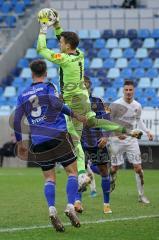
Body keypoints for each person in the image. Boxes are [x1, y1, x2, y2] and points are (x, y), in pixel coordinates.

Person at [36, 8, 139, 192]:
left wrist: (44, 28)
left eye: (60, 42)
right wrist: (58, 25)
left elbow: (41, 49)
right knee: (95, 121)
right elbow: (65, 38)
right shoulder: (79, 54)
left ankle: (82, 174)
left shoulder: (64, 59)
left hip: (73, 102)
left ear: (67, 46)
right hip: (84, 97)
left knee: (76, 141)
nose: (59, 44)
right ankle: (129, 131)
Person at [13, 59, 88, 232]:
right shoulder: (49, 87)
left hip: (38, 141)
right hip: (58, 135)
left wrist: (19, 142)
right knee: (72, 172)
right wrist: (75, 115)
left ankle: (52, 209)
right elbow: (57, 104)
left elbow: (17, 121)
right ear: (45, 73)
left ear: (31, 74)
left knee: (49, 178)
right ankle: (70, 207)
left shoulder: (23, 94)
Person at [109, 80, 153, 204]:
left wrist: (147, 131)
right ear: (123, 90)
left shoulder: (137, 105)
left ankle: (141, 195)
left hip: (131, 140)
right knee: (114, 168)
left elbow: (139, 121)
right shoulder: (116, 104)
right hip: (116, 140)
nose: (128, 92)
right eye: (126, 90)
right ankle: (112, 178)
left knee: (138, 168)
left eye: (130, 90)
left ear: (134, 91)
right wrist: (117, 133)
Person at [74, 76, 112, 214]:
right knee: (79, 173)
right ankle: (78, 202)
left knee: (104, 172)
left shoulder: (98, 101)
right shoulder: (74, 103)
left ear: (89, 85)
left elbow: (107, 120)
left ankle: (106, 204)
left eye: (86, 83)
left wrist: (106, 137)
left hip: (97, 142)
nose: (84, 85)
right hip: (81, 143)